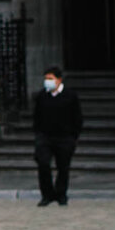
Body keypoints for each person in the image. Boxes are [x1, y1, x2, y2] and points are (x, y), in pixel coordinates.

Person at [32, 67, 82, 207]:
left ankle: (61, 194)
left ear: (59, 79)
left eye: (50, 78)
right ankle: (47, 195)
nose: (47, 81)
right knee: (43, 163)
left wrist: (73, 136)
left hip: (64, 137)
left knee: (63, 167)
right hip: (45, 137)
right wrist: (38, 134)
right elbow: (37, 117)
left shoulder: (70, 96)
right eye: (46, 79)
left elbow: (77, 117)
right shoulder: (42, 96)